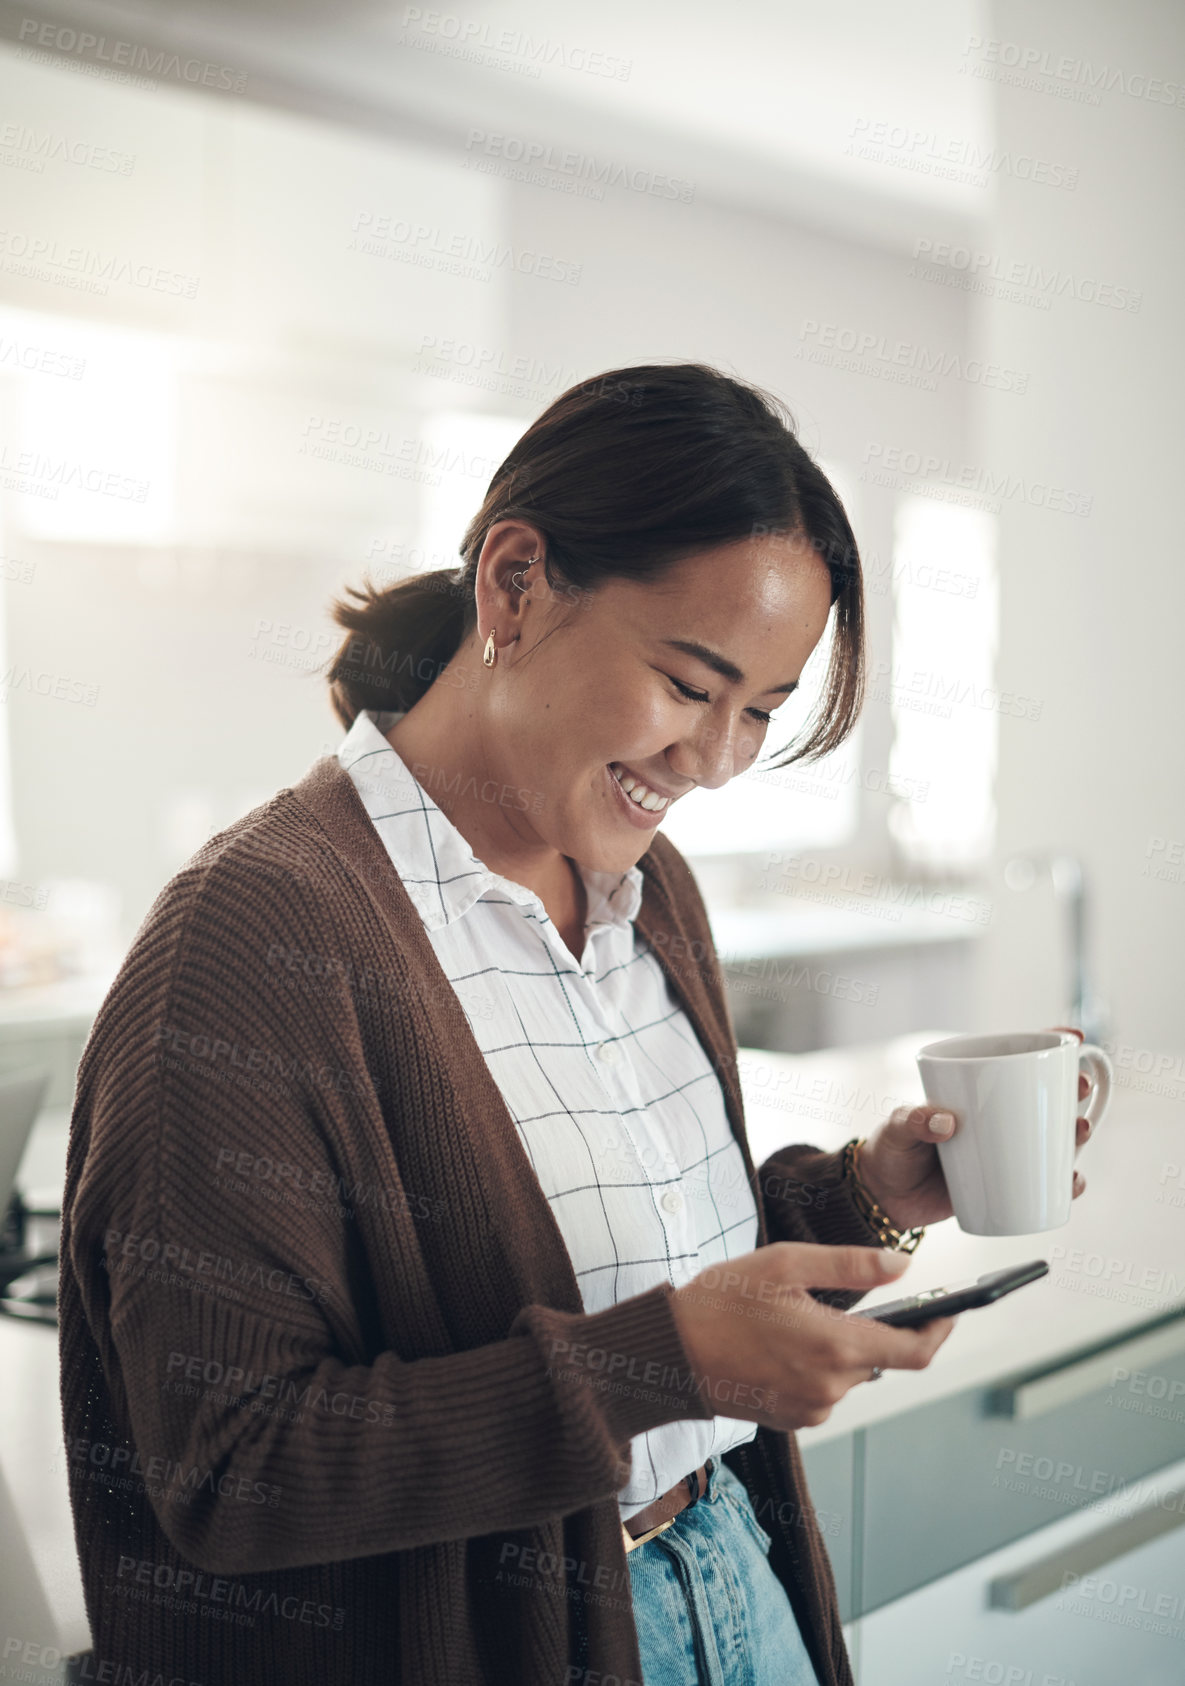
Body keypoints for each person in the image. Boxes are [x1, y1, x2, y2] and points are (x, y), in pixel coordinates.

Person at [58, 363, 1090, 1686]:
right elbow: (230, 1468)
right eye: (685, 681)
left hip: (733, 1575)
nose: (714, 759)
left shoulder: (649, 892)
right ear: (514, 585)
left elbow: (613, 1269)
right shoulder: (253, 938)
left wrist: (860, 1200)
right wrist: (652, 1369)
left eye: (760, 712)